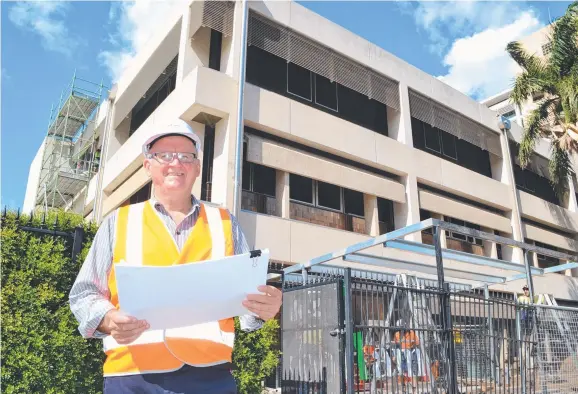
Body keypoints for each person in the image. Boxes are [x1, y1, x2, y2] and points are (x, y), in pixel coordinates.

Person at [69, 119, 283, 394]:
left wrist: (264, 308)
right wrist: (108, 320)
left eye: (185, 156)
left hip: (211, 378)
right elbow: (84, 294)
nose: (176, 162)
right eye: (164, 155)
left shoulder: (225, 222)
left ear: (196, 168)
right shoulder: (118, 222)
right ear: (148, 166)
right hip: (132, 378)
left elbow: (248, 310)